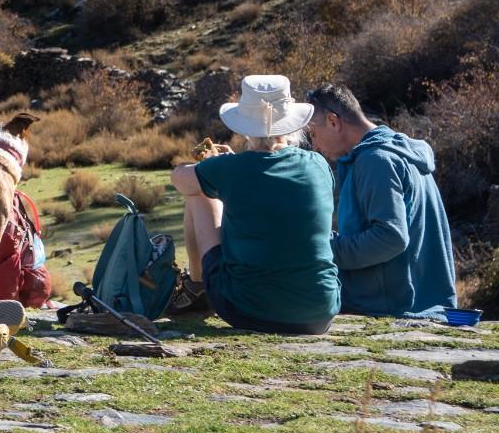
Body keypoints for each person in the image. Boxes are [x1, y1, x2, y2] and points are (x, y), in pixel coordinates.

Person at [169, 74, 339, 335]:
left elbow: (180, 180)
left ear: (244, 125)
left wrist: (209, 166)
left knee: (198, 193)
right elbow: (269, 183)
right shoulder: (317, 164)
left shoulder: (230, 169)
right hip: (319, 312)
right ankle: (197, 285)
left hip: (247, 310)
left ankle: (196, 285)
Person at [304, 83, 457, 316]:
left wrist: (323, 248)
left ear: (333, 121)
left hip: (396, 309)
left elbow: (391, 237)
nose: (314, 145)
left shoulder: (376, 160)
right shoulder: (397, 151)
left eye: (313, 134)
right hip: (420, 302)